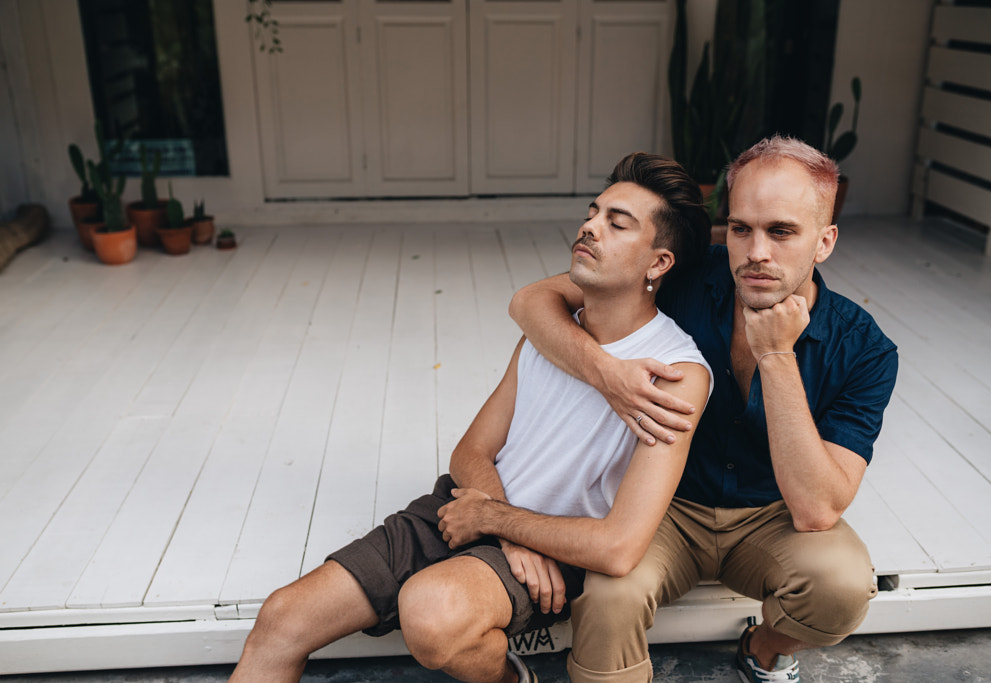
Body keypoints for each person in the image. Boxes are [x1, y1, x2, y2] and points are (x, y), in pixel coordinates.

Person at [229, 152, 713, 683]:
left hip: (553, 550)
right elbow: (471, 452)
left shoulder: (676, 373)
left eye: (616, 224)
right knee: (281, 618)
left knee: (431, 613)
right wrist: (500, 524)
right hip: (468, 507)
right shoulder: (553, 333)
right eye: (593, 212)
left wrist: (496, 523)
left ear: (659, 263)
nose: (590, 227)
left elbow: (619, 548)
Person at [506, 136, 899, 682]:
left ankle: (763, 649)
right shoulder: (687, 274)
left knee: (842, 586)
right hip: (663, 507)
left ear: (824, 241)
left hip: (772, 518)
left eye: (781, 231)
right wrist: (608, 375)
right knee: (608, 596)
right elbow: (531, 301)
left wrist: (777, 356)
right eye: (741, 228)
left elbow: (816, 510)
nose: (756, 252)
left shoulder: (865, 349)